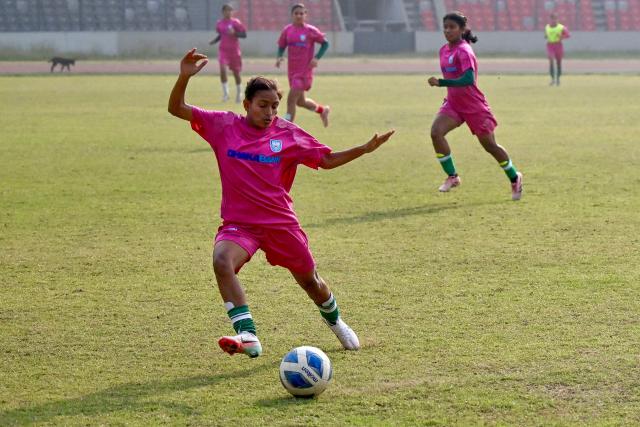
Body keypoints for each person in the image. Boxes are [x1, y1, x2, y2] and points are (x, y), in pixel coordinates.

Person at [168, 48, 395, 358]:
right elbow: (177, 108)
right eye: (263, 106)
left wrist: (364, 149)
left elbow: (325, 160)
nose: (270, 112)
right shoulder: (223, 125)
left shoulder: (288, 134)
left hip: (280, 224)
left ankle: (336, 322)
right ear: (246, 104)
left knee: (311, 282)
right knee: (222, 261)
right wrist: (184, 76)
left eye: (274, 106)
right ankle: (247, 334)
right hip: (240, 224)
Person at [427, 11, 523, 201]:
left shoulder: (464, 51)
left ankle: (514, 177)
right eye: (445, 27)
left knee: (490, 146)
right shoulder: (444, 50)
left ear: (462, 30)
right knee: (436, 133)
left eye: (452, 27)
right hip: (454, 104)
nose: (447, 31)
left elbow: (469, 79)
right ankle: (453, 177)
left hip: (473, 106)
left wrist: (441, 82)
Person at [276, 3, 331, 126]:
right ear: (292, 15)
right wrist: (279, 56)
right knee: (301, 102)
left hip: (304, 72)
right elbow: (281, 44)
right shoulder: (287, 30)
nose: (299, 16)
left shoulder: (310, 31)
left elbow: (325, 43)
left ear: (305, 15)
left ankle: (286, 127)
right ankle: (323, 110)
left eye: (302, 13)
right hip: (292, 71)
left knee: (291, 100)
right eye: (296, 13)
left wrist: (317, 58)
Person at [209, 3, 247, 102]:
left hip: (234, 51)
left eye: (230, 10)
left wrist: (235, 33)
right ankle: (226, 94)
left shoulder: (236, 22)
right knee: (222, 70)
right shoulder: (220, 23)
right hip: (223, 50)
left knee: (236, 73)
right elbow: (221, 35)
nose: (229, 12)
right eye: (226, 10)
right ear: (223, 12)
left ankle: (239, 93)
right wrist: (215, 41)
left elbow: (244, 35)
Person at [545, 13, 570, 86]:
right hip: (550, 45)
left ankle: (558, 79)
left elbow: (568, 35)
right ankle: (552, 79)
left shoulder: (561, 27)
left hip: (558, 45)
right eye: (552, 19)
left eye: (555, 19)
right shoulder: (547, 27)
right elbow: (546, 35)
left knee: (558, 62)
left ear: (557, 19)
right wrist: (546, 36)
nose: (554, 21)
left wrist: (562, 36)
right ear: (550, 20)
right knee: (551, 59)